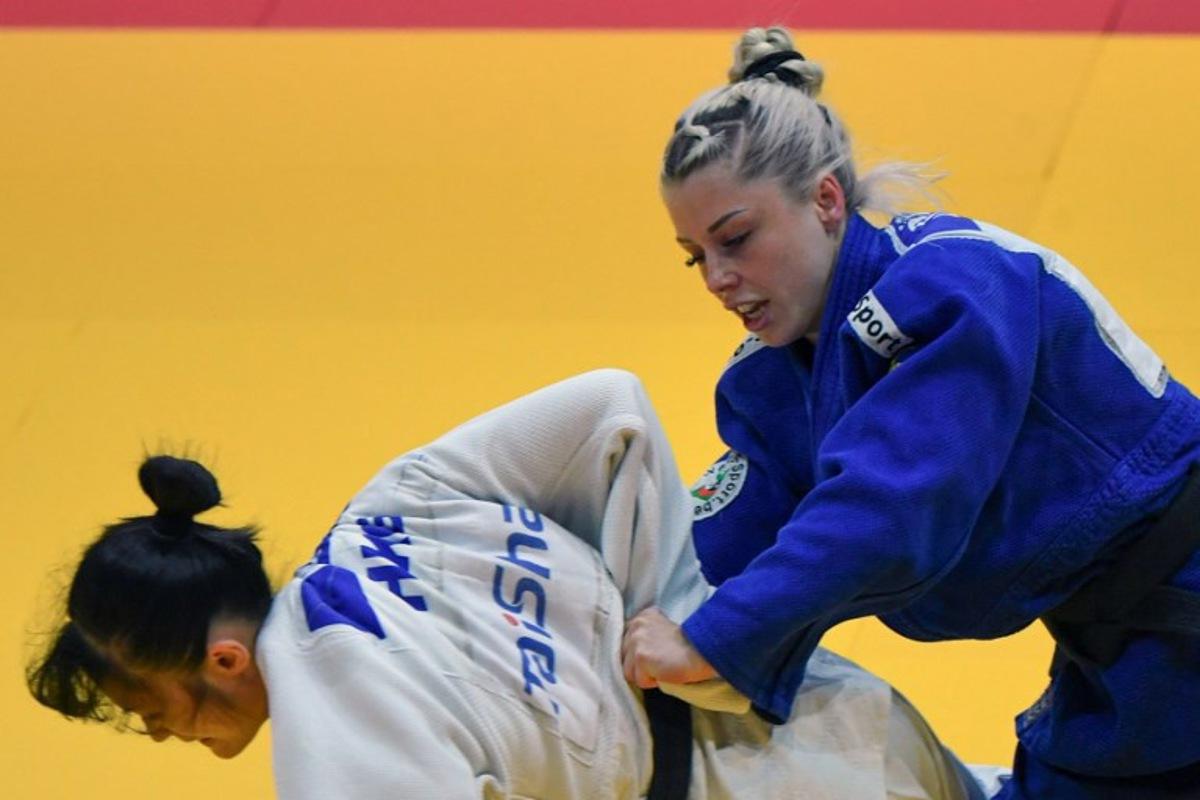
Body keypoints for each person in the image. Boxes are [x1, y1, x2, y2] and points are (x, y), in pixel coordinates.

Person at [619, 25, 1200, 800]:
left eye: (737, 239)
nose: (717, 279)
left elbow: (890, 505)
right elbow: (721, 538)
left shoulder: (955, 284)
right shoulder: (775, 375)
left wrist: (714, 641)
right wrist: (597, 595)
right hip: (1120, 649)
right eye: (696, 256)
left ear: (826, 200)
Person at [28, 369, 985, 799]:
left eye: (150, 712)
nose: (165, 737)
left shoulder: (329, 719)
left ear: (223, 659)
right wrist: (701, 641)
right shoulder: (397, 505)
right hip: (841, 718)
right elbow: (608, 409)